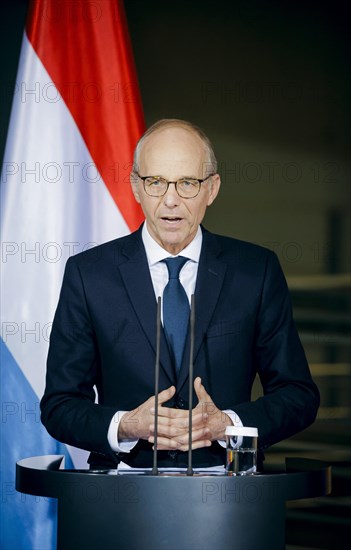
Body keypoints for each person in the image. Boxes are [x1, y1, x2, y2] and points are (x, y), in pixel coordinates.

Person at [41, 119, 320, 469]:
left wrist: (227, 424)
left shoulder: (256, 271)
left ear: (212, 189)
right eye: (156, 182)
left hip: (229, 493)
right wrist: (126, 426)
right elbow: (59, 405)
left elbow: (298, 397)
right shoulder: (88, 274)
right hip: (118, 495)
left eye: (187, 183)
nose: (170, 200)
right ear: (136, 186)